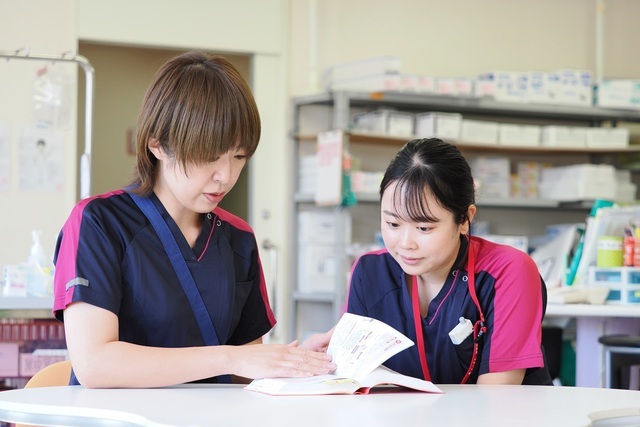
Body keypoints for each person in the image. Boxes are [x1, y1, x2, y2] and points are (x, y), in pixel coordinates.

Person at [52, 51, 335, 388]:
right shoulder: (99, 223)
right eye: (209, 156)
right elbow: (95, 365)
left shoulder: (238, 238)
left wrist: (294, 361)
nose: (225, 176)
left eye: (239, 156)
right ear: (157, 144)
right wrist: (228, 357)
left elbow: (244, 367)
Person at [345, 138, 552, 385]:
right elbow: (356, 381)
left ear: (464, 219)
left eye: (423, 228)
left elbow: (498, 398)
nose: (406, 243)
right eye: (393, 223)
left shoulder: (508, 272)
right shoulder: (369, 273)